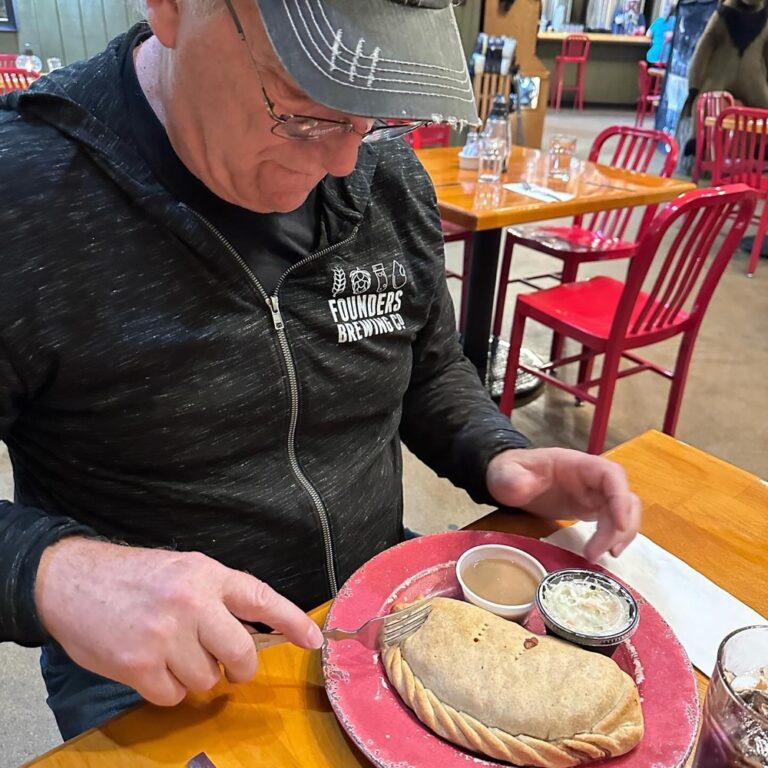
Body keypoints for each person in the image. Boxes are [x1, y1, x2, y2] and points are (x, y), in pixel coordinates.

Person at [0, 0, 641, 742]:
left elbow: (428, 365)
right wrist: (57, 575)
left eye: (371, 111)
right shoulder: (23, 196)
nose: (343, 161)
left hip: (379, 612)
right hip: (164, 672)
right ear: (173, 8)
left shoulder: (383, 171)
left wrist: (497, 453)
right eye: (303, 111)